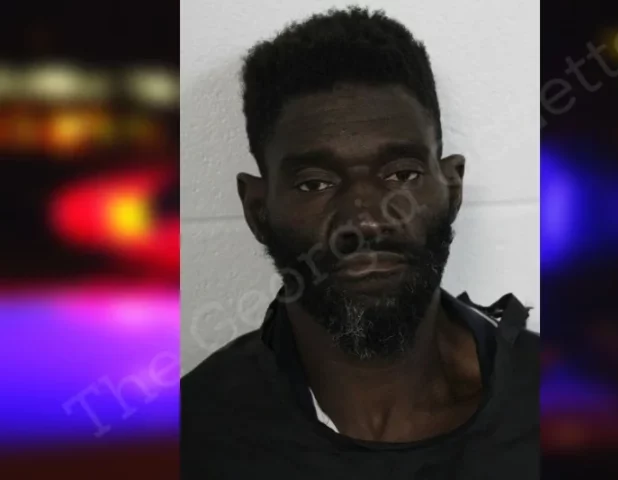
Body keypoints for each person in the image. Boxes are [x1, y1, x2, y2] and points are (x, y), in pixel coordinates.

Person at [181, 7, 539, 479]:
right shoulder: (194, 436)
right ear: (258, 209)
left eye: (402, 174)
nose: (365, 220)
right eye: (315, 183)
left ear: (452, 188)